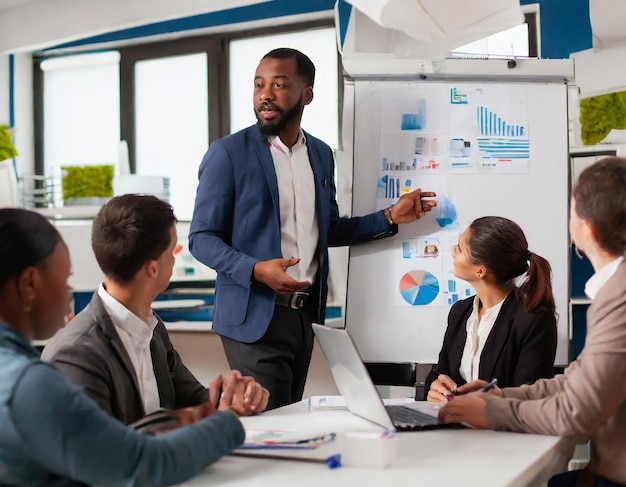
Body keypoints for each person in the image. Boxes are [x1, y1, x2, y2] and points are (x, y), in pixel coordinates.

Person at [189, 47, 437, 410]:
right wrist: (257, 270)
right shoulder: (228, 154)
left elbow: (328, 230)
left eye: (279, 84)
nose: (265, 94)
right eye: (259, 84)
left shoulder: (320, 155)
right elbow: (201, 238)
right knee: (272, 421)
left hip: (304, 317)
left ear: (307, 94)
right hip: (254, 315)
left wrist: (388, 218)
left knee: (290, 419)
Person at [0, 208, 245, 486]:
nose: (68, 295)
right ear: (29, 284)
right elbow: (141, 464)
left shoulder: (151, 328)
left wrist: (214, 404)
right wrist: (227, 421)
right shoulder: (32, 382)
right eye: (65, 279)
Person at [438, 157, 626, 487]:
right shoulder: (614, 291)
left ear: (586, 227)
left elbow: (574, 413)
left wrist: (493, 412)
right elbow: (571, 382)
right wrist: (496, 399)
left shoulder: (618, 298)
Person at [42, 194, 269, 426]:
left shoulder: (152, 328)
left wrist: (234, 398)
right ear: (152, 268)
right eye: (173, 251)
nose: (174, 259)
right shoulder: (76, 354)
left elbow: (194, 400)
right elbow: (104, 451)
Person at [426, 216, 557, 403]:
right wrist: (436, 387)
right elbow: (441, 372)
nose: (453, 252)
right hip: (454, 427)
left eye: (460, 249)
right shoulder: (460, 312)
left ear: (480, 271)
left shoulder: (534, 319)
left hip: (501, 430)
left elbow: (531, 398)